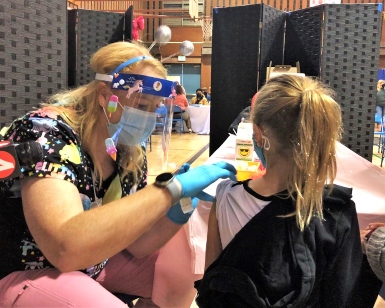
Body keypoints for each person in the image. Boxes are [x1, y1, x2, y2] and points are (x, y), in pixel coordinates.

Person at [0, 41, 237, 307]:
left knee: (184, 263)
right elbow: (64, 249)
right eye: (142, 104)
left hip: (93, 264)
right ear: (104, 95)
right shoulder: (45, 132)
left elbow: (137, 245)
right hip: (25, 271)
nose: (149, 117)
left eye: (155, 107)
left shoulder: (126, 150)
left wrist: (177, 211)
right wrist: (169, 190)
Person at [195, 75, 380, 307]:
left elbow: (212, 282)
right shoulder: (336, 211)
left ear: (258, 134)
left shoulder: (225, 196)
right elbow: (342, 297)